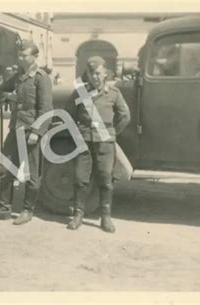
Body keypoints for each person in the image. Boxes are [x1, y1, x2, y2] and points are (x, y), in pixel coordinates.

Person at [0, 39, 53, 225]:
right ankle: (4, 208)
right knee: (5, 168)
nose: (21, 58)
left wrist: (37, 132)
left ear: (35, 57)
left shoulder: (41, 78)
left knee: (31, 173)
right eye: (19, 55)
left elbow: (46, 110)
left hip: (30, 131)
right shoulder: (18, 76)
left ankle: (27, 210)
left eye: (24, 55)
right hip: (15, 129)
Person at [65, 56, 131, 233]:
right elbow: (68, 115)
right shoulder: (80, 93)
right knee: (80, 179)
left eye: (98, 73)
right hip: (84, 141)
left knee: (105, 180)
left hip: (105, 142)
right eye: (91, 73)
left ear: (105, 74)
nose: (94, 77)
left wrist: (111, 133)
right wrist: (77, 135)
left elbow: (125, 116)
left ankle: (106, 218)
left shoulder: (113, 93)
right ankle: (78, 215)